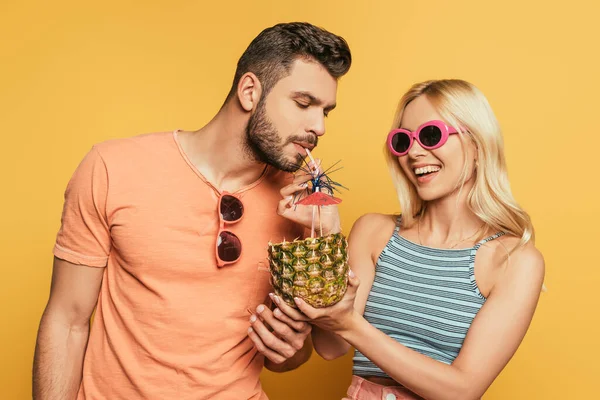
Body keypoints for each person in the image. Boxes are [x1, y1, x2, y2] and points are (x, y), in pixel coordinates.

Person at [32, 22, 351, 400]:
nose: (318, 126)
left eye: (325, 112)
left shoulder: (302, 202)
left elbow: (295, 356)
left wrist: (290, 347)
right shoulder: (111, 167)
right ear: (250, 91)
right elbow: (67, 321)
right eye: (303, 103)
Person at [271, 79, 545, 400]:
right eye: (402, 141)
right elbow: (331, 347)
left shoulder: (514, 261)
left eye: (430, 135)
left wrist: (351, 326)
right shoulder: (374, 233)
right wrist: (324, 230)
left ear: (477, 144)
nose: (414, 153)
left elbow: (462, 390)